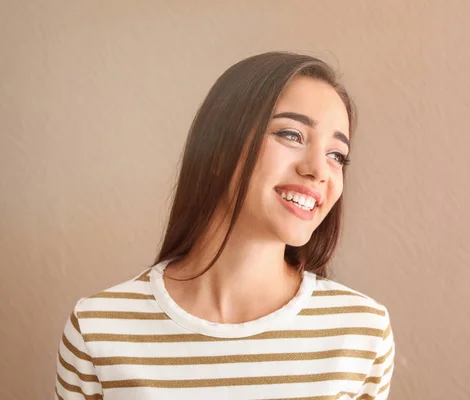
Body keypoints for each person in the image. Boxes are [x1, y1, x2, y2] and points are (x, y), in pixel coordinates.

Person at [54, 51, 395, 400]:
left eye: (336, 155)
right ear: (219, 149)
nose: (319, 171)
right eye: (292, 135)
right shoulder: (98, 331)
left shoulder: (362, 332)